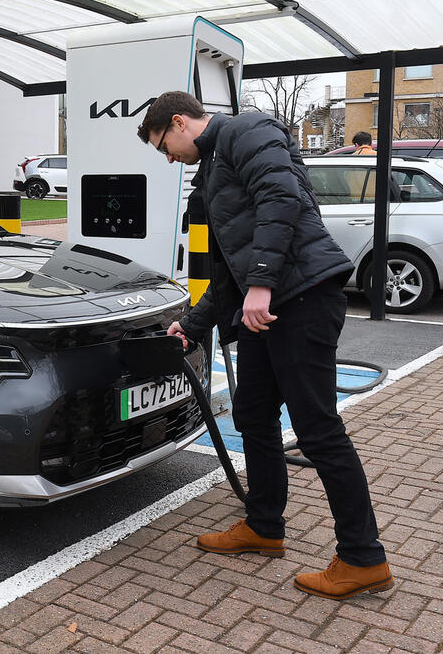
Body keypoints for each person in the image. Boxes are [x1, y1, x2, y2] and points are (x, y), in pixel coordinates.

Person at [137, 91, 392, 600]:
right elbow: (231, 272)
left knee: (318, 431)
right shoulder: (213, 166)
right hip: (266, 308)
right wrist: (193, 323)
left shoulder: (247, 130)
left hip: (300, 301)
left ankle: (364, 558)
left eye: (163, 144)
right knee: (253, 414)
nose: (167, 157)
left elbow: (282, 200)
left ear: (180, 122)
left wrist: (262, 282)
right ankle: (264, 525)